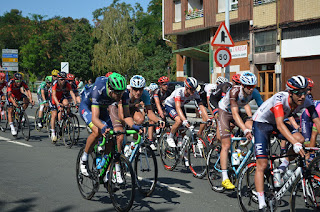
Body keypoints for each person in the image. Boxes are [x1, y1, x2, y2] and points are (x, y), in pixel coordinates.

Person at [252, 75, 320, 211]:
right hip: (261, 123)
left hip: (276, 124)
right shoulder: (280, 98)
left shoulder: (306, 100)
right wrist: (294, 144)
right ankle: (261, 203)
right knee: (262, 164)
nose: (302, 96)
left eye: (304, 92)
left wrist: (296, 142)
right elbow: (280, 124)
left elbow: (317, 122)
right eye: (298, 93)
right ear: (290, 92)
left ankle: (282, 167)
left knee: (301, 139)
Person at [79, 73, 142, 183]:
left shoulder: (124, 93)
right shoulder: (98, 89)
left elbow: (127, 116)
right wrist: (103, 127)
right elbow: (94, 118)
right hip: (88, 106)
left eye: (121, 93)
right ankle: (84, 158)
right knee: (97, 130)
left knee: (114, 134)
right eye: (117, 93)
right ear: (110, 89)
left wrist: (134, 126)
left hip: (103, 108)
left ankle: (107, 170)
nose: (119, 96)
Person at [218, 72, 258, 189]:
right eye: (248, 87)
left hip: (236, 111)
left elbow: (261, 108)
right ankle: (224, 178)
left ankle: (239, 150)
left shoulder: (254, 93)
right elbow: (235, 115)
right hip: (225, 112)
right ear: (243, 86)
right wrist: (245, 130)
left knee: (251, 126)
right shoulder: (235, 91)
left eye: (253, 87)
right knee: (226, 144)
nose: (251, 89)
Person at [164, 77, 211, 166]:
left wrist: (207, 118)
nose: (193, 91)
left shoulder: (194, 93)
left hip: (180, 107)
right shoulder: (179, 92)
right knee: (179, 121)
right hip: (170, 106)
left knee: (184, 134)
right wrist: (185, 120)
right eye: (192, 89)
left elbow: (201, 106)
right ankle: (170, 137)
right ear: (186, 87)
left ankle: (185, 157)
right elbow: (177, 107)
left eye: (194, 89)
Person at [118, 75, 165, 147]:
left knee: (140, 119)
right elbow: (122, 115)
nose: (138, 92)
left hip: (132, 108)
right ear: (131, 88)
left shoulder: (145, 94)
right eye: (135, 89)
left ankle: (134, 144)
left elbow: (149, 112)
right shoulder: (124, 93)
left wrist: (158, 120)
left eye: (140, 89)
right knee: (121, 130)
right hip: (120, 109)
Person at [49, 72, 77, 142]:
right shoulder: (55, 83)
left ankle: (63, 120)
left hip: (61, 97)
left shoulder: (66, 83)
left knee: (66, 103)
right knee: (54, 114)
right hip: (53, 98)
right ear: (58, 79)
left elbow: (71, 92)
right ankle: (53, 133)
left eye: (64, 79)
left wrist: (75, 102)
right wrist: (58, 104)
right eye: (61, 79)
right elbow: (54, 95)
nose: (63, 81)